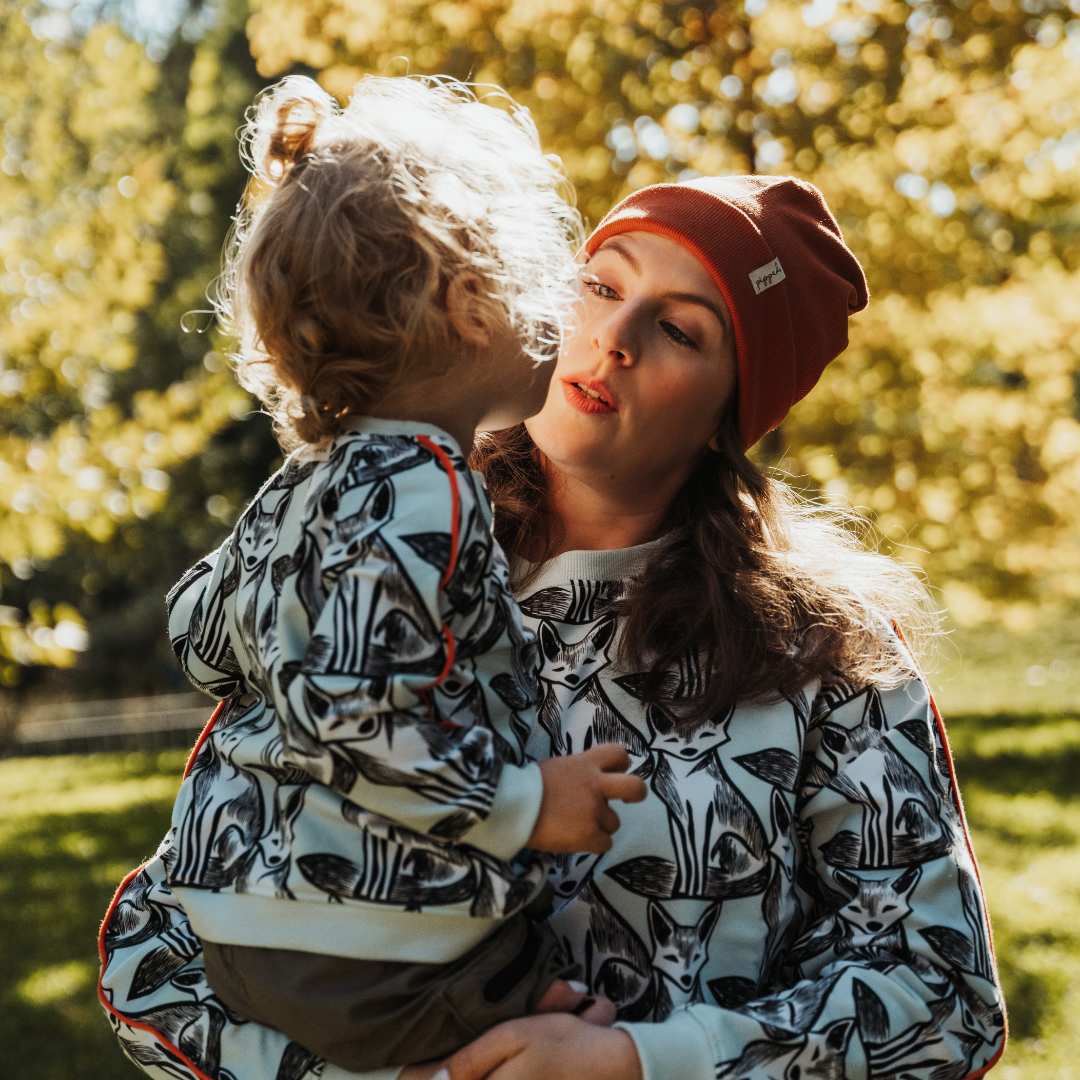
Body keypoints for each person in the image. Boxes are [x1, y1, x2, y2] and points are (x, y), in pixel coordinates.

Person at [99, 171, 1007, 1080]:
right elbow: (156, 961)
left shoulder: (822, 655)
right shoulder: (385, 559)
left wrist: (636, 1063)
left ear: (734, 413)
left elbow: (942, 999)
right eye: (602, 286)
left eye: (681, 329)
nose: (614, 337)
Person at [133, 72, 648, 1076]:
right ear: (468, 303)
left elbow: (200, 634)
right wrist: (525, 802)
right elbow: (352, 708)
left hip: (233, 927)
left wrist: (278, 613)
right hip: (373, 941)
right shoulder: (429, 483)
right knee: (553, 979)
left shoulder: (299, 485)